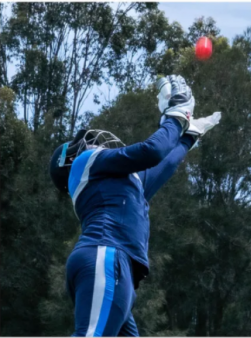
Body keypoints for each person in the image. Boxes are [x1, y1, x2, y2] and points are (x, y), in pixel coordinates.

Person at [49, 75, 221, 336]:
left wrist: (189, 136)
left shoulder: (118, 183)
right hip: (106, 258)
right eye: (88, 141)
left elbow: (162, 165)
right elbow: (152, 150)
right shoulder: (84, 164)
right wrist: (175, 115)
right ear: (70, 160)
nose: (96, 142)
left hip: (114, 267)